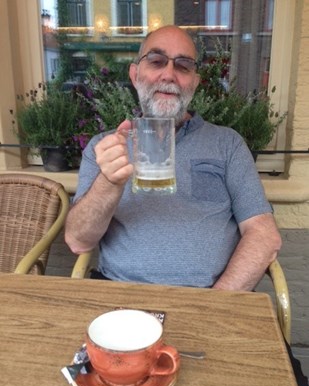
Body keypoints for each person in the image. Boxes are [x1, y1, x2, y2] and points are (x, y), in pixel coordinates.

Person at [65, 25, 282, 291]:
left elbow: (263, 234)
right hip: (123, 297)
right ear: (135, 75)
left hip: (211, 298)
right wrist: (108, 182)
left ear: (195, 81)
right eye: (156, 61)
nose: (169, 74)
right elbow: (78, 241)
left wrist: (215, 303)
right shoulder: (107, 147)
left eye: (183, 66)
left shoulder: (227, 144)